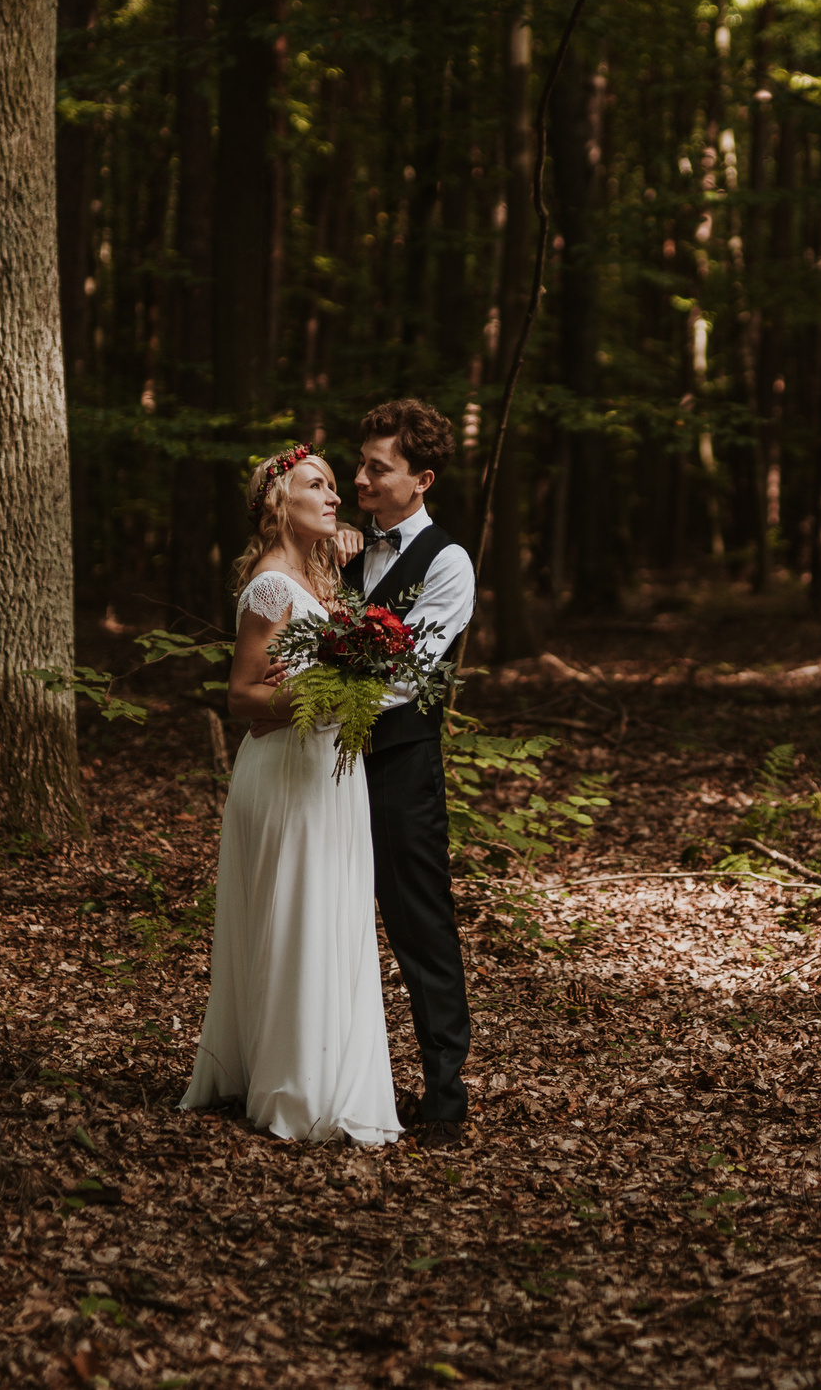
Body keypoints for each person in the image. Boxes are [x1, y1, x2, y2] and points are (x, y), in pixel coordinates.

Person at [178, 447, 400, 1145]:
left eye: (337, 485)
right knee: (298, 916)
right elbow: (241, 696)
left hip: (331, 769)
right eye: (317, 484)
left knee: (333, 914)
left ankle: (331, 1069)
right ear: (279, 501)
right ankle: (292, 1085)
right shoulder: (272, 586)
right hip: (283, 772)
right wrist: (319, 689)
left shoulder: (322, 575)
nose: (335, 495)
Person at [344, 398, 477, 1148]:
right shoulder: (350, 551)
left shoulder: (446, 562)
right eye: (360, 464)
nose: (361, 478)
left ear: (421, 479)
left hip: (398, 765)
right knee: (329, 913)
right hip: (325, 769)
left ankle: (445, 1092)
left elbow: (406, 675)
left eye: (377, 467)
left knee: (418, 922)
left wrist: (324, 700)